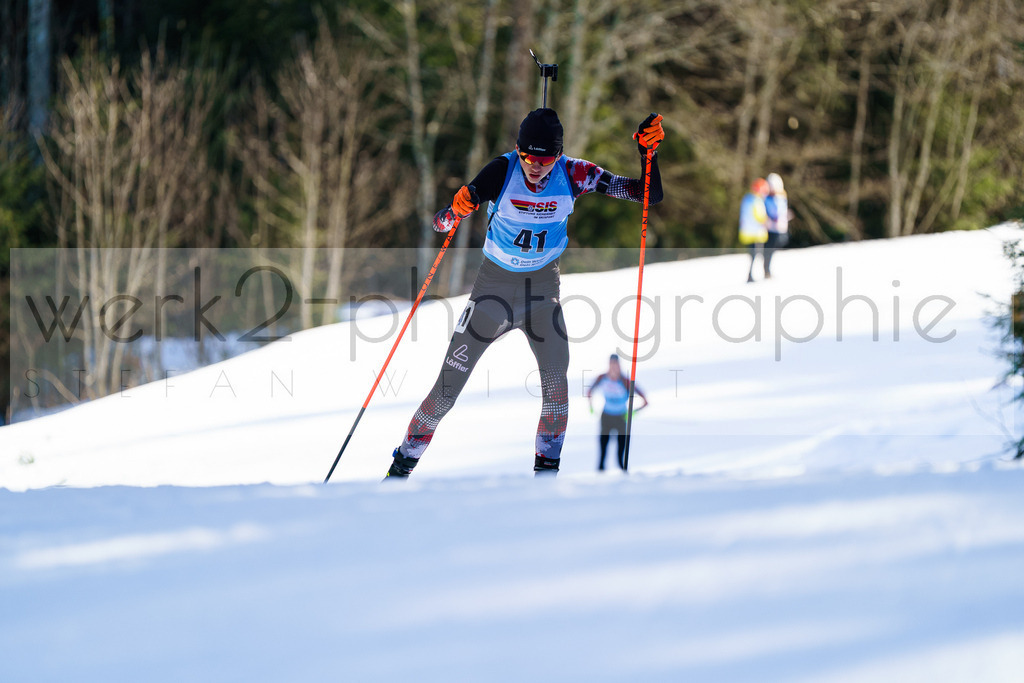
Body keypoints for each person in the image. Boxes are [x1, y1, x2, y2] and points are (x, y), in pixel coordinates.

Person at [385, 108, 665, 479]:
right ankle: (400, 468)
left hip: (542, 297)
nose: (536, 167)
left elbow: (646, 194)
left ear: (558, 155)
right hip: (491, 293)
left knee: (556, 392)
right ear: (518, 150)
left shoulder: (574, 173)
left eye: (545, 159)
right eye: (529, 157)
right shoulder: (501, 171)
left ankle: (545, 481)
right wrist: (453, 211)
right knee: (446, 392)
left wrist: (649, 155)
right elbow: (442, 222)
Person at [587, 353, 648, 471]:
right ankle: (600, 476)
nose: (614, 367)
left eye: (616, 365)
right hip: (606, 417)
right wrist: (591, 407)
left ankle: (624, 477)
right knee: (603, 452)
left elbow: (645, 401)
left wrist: (633, 412)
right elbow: (589, 392)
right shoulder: (602, 378)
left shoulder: (625, 381)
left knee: (621, 454)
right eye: (611, 364)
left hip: (621, 418)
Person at [739, 177, 769, 283]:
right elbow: (759, 216)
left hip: (747, 232)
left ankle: (751, 275)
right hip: (755, 233)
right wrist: (766, 222)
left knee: (753, 255)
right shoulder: (756, 200)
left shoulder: (747, 199)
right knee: (756, 255)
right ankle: (752, 275)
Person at [763, 172, 789, 279]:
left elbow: (781, 211)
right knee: (768, 250)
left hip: (780, 228)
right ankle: (766, 271)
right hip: (770, 228)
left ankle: (767, 270)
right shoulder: (766, 198)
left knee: (774, 248)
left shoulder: (782, 197)